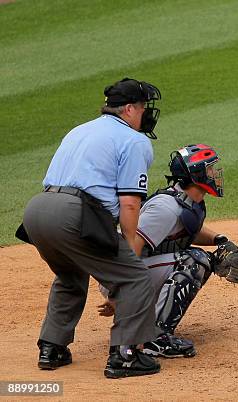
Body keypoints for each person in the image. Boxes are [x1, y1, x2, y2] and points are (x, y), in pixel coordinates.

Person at [20, 77, 164, 378]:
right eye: (141, 108)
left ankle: (52, 347)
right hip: (75, 214)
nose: (146, 113)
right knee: (135, 277)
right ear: (127, 109)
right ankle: (125, 356)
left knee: (70, 273)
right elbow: (129, 204)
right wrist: (128, 251)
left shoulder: (80, 129)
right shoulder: (134, 141)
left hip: (37, 211)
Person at [97, 144, 238, 358]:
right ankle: (154, 338)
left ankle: (152, 326)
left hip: (137, 271)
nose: (215, 173)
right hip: (120, 275)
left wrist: (219, 240)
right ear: (196, 175)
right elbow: (129, 248)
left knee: (201, 259)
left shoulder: (186, 202)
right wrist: (118, 293)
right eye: (210, 169)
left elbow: (186, 231)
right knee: (194, 261)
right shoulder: (165, 209)